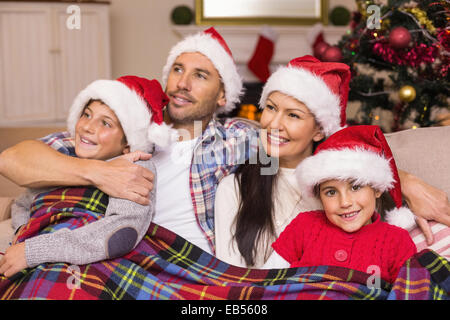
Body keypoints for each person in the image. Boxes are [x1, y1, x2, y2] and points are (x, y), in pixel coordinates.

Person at [0, 28, 448, 258]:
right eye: (177, 69)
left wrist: (400, 177)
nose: (182, 83)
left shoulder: (239, 140)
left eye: (201, 75)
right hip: (119, 242)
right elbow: (14, 159)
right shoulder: (127, 132)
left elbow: (312, 148)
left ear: (222, 96)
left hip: (190, 260)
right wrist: (99, 171)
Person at [0, 76, 176, 278]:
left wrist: (34, 250)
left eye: (106, 123)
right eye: (86, 114)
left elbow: (120, 234)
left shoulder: (135, 165)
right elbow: (23, 203)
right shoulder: (63, 154)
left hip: (98, 267)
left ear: (128, 144)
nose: (87, 127)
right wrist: (23, 234)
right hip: (39, 258)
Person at [266, 125, 417, 284]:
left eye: (356, 187)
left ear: (377, 188)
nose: (344, 202)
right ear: (320, 197)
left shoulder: (397, 240)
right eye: (331, 192)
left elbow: (411, 292)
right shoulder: (304, 225)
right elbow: (265, 279)